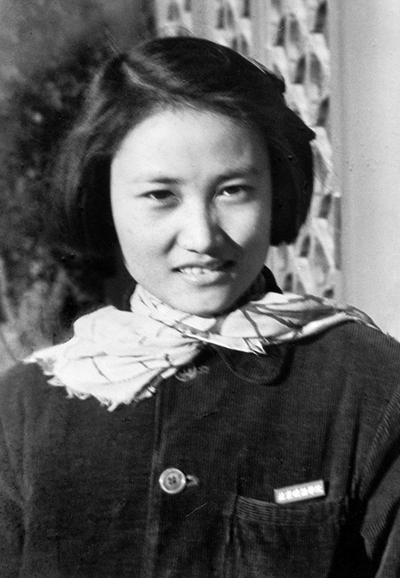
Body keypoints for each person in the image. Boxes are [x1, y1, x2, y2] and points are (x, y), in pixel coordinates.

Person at [1, 36, 400, 578]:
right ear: (102, 198)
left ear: (277, 189)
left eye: (232, 190)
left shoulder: (369, 385)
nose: (202, 236)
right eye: (160, 195)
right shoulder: (26, 409)